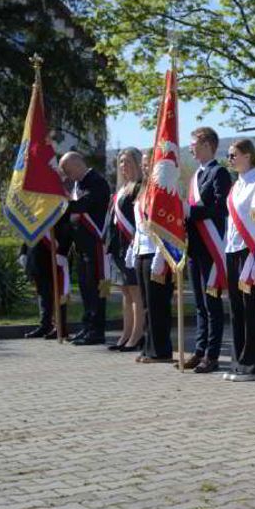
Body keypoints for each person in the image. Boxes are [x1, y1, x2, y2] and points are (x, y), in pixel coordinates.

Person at [184, 127, 232, 374]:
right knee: (200, 304)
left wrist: (190, 212)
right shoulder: (195, 176)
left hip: (212, 247)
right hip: (195, 247)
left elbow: (220, 208)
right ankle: (200, 350)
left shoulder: (219, 172)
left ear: (206, 144)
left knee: (211, 304)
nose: (190, 147)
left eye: (193, 143)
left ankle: (212, 356)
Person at [222, 139, 255, 381]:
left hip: (250, 252)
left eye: (234, 155)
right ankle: (239, 362)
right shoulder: (236, 185)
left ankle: (253, 365)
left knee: (251, 309)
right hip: (233, 251)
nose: (230, 159)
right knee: (236, 309)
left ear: (248, 156)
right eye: (229, 155)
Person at [60, 151, 112, 346]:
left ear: (76, 164)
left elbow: (82, 206)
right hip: (81, 246)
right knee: (85, 288)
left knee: (97, 289)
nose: (65, 174)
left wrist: (61, 203)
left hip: (96, 245)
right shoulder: (78, 184)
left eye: (66, 169)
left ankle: (97, 330)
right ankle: (88, 325)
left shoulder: (96, 181)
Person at [132, 153, 174, 364]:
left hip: (156, 252)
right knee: (147, 304)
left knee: (158, 304)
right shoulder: (143, 189)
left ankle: (161, 351)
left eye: (149, 163)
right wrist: (134, 247)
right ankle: (149, 347)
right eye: (144, 164)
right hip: (142, 250)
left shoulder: (162, 190)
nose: (146, 167)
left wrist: (161, 253)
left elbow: (165, 227)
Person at [105, 148, 146, 352]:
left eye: (128, 161)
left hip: (132, 246)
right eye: (121, 162)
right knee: (125, 292)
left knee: (135, 293)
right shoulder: (121, 189)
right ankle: (126, 333)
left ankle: (137, 336)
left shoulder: (140, 187)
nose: (124, 165)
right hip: (119, 248)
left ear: (138, 163)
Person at [21, 213, 71, 339]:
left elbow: (66, 227)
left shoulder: (60, 203)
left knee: (58, 291)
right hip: (36, 253)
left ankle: (60, 326)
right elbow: (30, 228)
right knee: (42, 292)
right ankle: (45, 325)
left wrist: (62, 251)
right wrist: (23, 250)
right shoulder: (37, 206)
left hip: (53, 254)